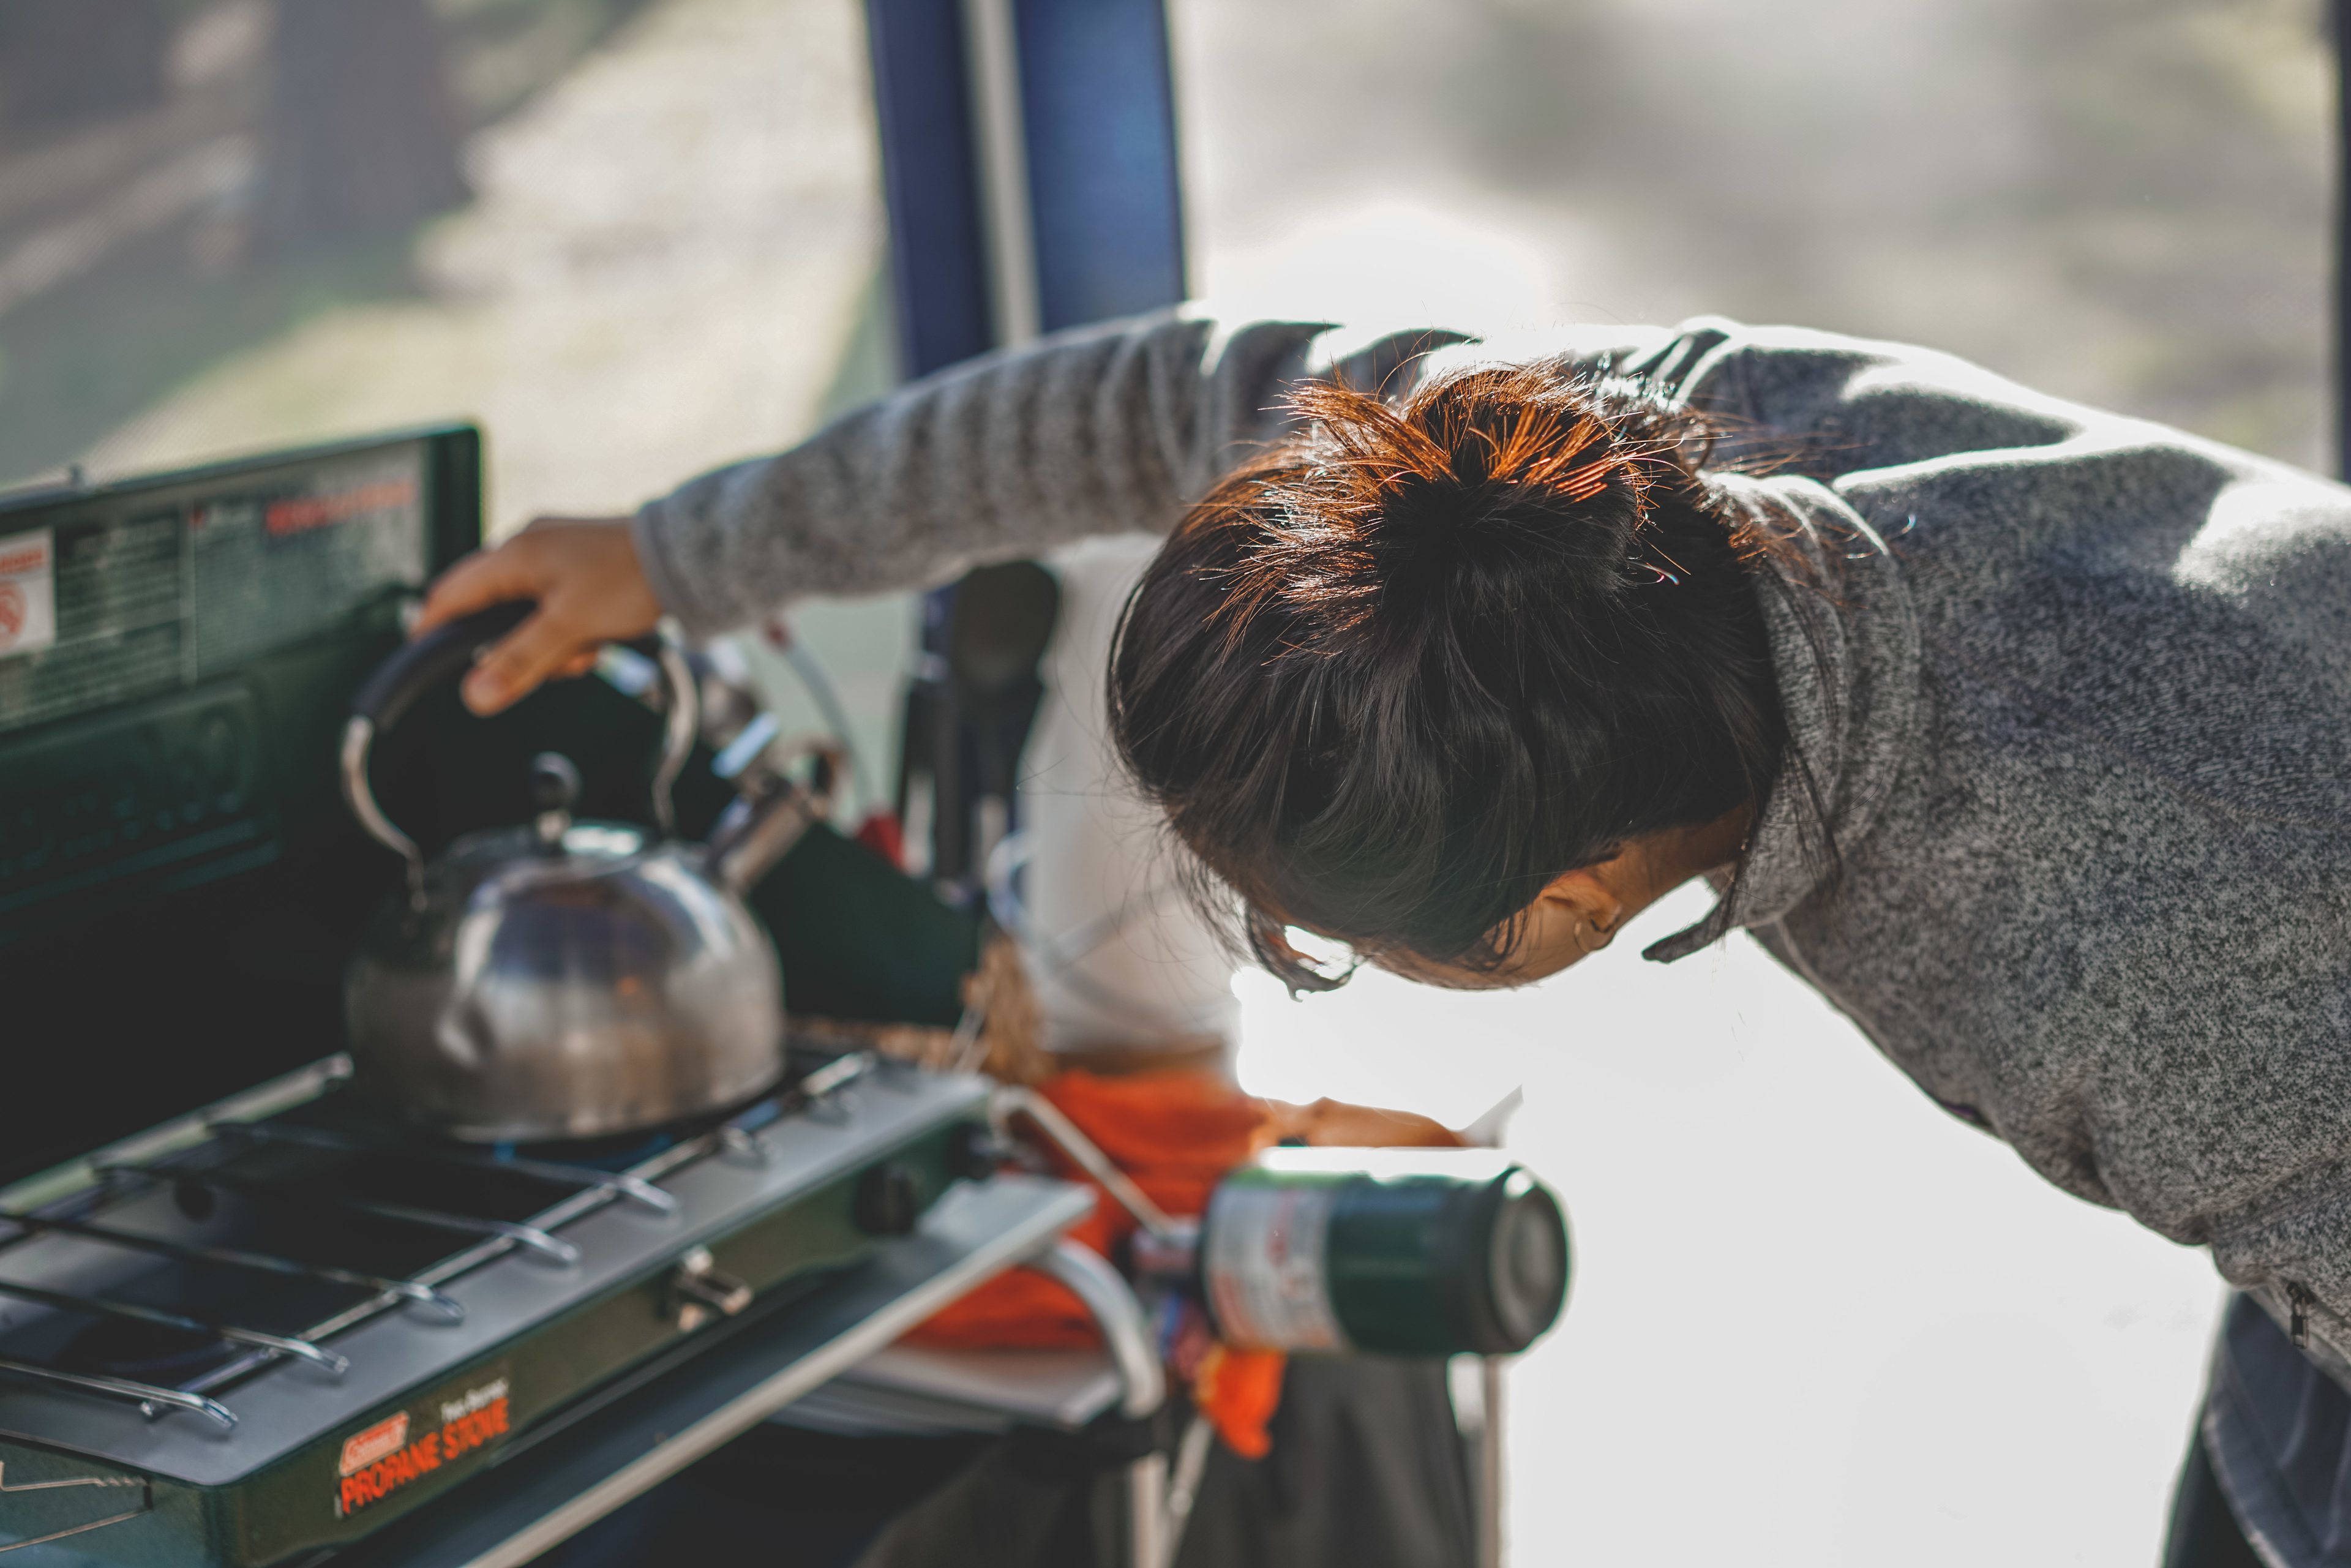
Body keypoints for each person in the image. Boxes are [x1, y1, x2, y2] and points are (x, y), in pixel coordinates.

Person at [420, 307, 2351, 1566]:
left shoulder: (2141, 971)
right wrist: (676, 554)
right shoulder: (1569, 470)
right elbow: (1116, 404)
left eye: (1333, 941)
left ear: (1565, 910)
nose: (1287, 951)